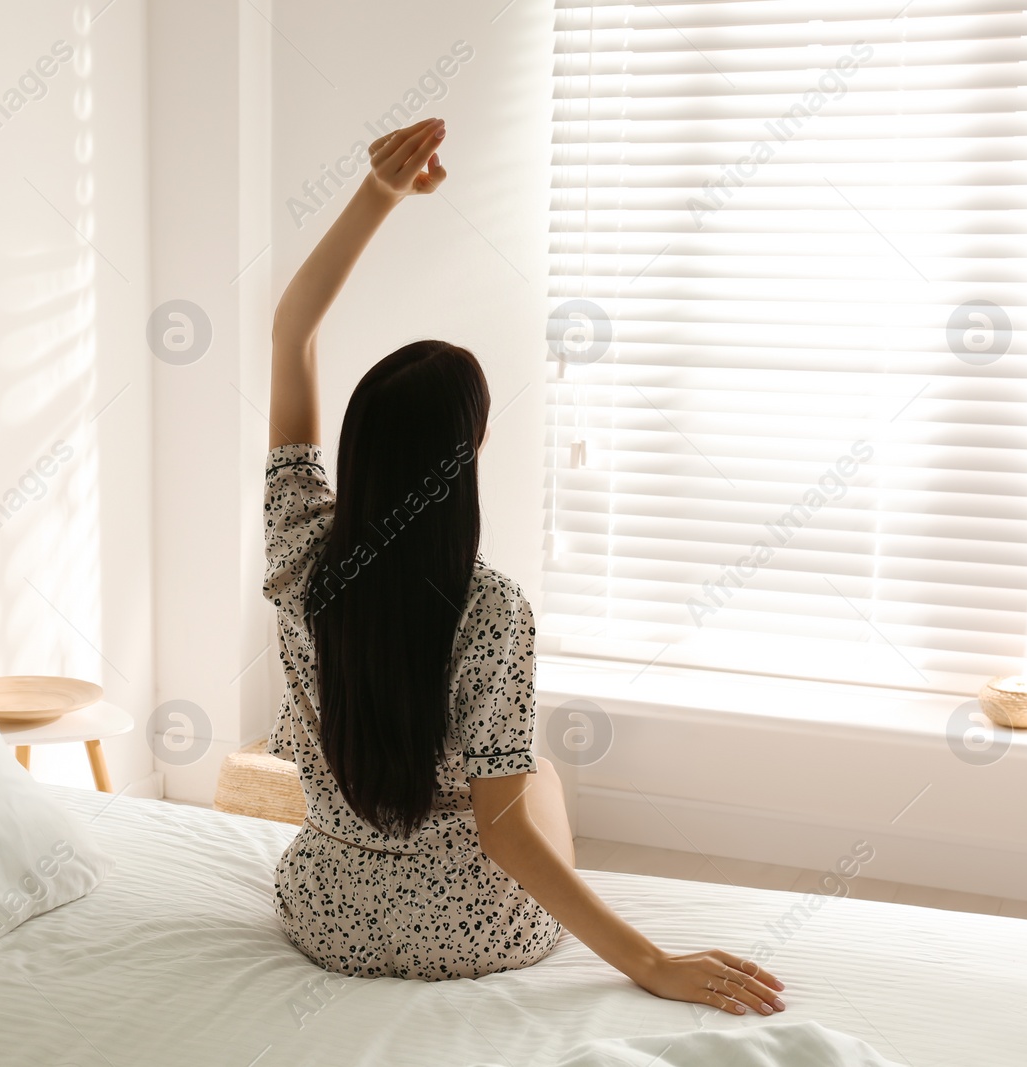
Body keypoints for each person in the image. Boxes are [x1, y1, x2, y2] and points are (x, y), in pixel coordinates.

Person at [261, 115, 785, 1017]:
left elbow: (291, 331)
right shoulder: (490, 609)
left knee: (515, 767)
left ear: (361, 452)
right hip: (472, 934)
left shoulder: (299, 550)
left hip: (326, 915)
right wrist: (652, 963)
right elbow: (504, 835)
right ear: (467, 454)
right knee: (533, 771)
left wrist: (377, 195)